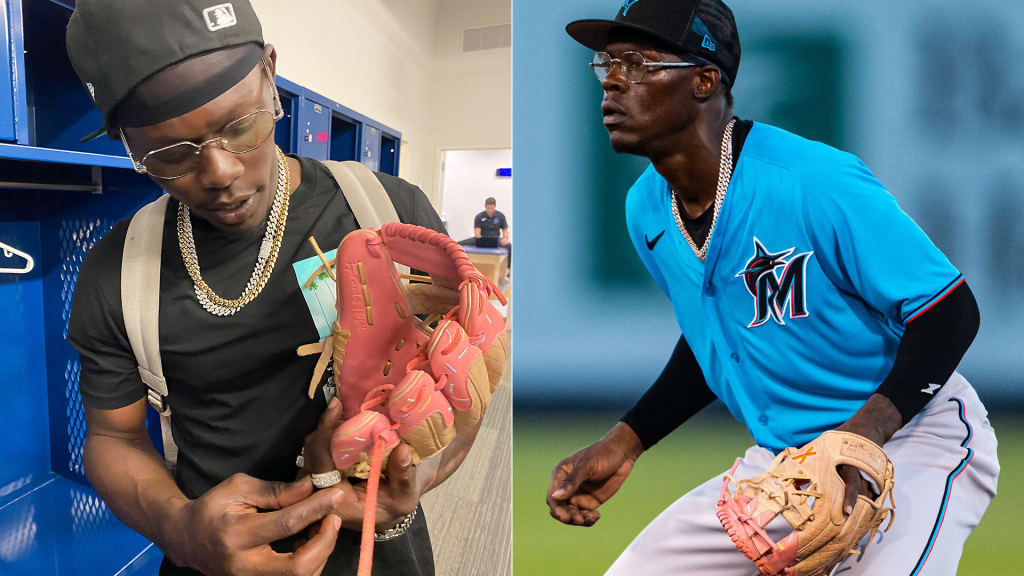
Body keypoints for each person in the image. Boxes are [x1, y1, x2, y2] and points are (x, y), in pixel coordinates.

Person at [546, 1, 999, 574]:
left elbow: (950, 311)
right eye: (608, 63)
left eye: (638, 63)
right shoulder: (645, 209)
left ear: (705, 80)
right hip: (785, 465)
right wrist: (628, 438)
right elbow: (718, 335)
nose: (612, 80)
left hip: (911, 439)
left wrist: (863, 439)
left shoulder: (815, 181)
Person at [66, 1, 483, 574]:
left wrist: (411, 482)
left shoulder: (389, 217)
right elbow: (113, 437)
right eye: (169, 155)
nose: (220, 172)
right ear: (128, 147)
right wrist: (178, 529)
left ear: (270, 73)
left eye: (241, 126)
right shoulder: (116, 270)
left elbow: (464, 390)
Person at [473, 197, 511, 269]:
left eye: (492, 208)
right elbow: (477, 233)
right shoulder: (479, 216)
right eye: (488, 208)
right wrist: (479, 239)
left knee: (509, 245)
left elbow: (505, 230)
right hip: (482, 239)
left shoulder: (500, 216)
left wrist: (505, 238)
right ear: (485, 206)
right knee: (460, 243)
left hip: (496, 240)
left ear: (495, 207)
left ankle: (508, 268)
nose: (490, 210)